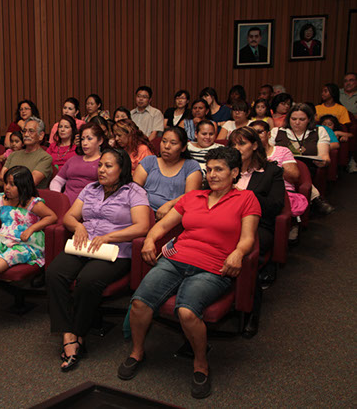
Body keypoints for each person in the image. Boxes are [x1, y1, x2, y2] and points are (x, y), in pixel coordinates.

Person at [118, 147, 260, 399]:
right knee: (140, 303)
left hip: (214, 266)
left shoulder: (246, 198)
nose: (213, 175)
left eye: (220, 169)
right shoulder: (193, 197)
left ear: (235, 172)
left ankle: (200, 363)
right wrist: (151, 239)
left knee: (186, 310)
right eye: (210, 169)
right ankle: (137, 352)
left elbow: (248, 238)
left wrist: (238, 253)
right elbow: (162, 224)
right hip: (176, 259)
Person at [46, 148, 151, 372]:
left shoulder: (134, 191)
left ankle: (79, 333)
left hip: (115, 250)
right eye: (100, 165)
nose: (101, 170)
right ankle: (68, 334)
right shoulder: (90, 188)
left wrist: (108, 237)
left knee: (88, 280)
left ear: (122, 169)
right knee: (54, 272)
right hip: (84, 244)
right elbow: (69, 217)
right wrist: (79, 226)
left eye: (108, 166)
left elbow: (142, 226)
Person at [0, 166, 57, 299]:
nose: (7, 187)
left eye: (12, 184)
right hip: (4, 237)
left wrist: (31, 229)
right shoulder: (2, 199)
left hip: (26, 242)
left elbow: (52, 216)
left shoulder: (33, 203)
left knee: (11, 254)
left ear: (23, 186)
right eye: (6, 183)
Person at [228, 126, 285, 336]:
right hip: (226, 223)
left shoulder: (271, 171)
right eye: (233, 144)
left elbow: (275, 206)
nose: (237, 148)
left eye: (242, 143)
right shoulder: (224, 169)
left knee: (246, 255)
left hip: (259, 225)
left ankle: (252, 310)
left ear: (254, 145)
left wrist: (245, 196)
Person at [271, 103, 333, 215]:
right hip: (282, 168)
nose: (297, 122)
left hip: (309, 168)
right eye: (293, 119)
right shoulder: (277, 132)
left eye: (302, 119)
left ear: (309, 119)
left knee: (300, 169)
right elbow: (268, 152)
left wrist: (323, 162)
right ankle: (315, 198)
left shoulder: (319, 132)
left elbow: (325, 156)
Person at [250, 121, 306, 241]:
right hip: (258, 190)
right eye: (253, 133)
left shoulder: (282, 151)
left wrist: (272, 167)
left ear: (269, 134)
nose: (256, 136)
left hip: (282, 191)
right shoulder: (247, 154)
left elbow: (294, 176)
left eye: (260, 132)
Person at [133, 127, 202, 219]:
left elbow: (190, 196)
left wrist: (169, 204)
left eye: (173, 143)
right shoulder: (149, 161)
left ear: (183, 147)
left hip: (174, 215)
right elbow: (134, 189)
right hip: (143, 212)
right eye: (164, 141)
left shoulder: (191, 166)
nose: (166, 146)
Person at [50, 123, 105, 204]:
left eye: (89, 139)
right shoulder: (73, 159)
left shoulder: (103, 161)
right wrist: (59, 197)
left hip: (90, 205)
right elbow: (57, 181)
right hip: (65, 204)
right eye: (82, 139)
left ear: (100, 141)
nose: (85, 143)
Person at [0, 117, 53, 189]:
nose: (26, 135)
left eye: (31, 131)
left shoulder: (45, 158)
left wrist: (8, 179)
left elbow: (29, 183)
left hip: (30, 198)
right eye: (24, 131)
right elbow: (0, 180)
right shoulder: (13, 154)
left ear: (41, 135)